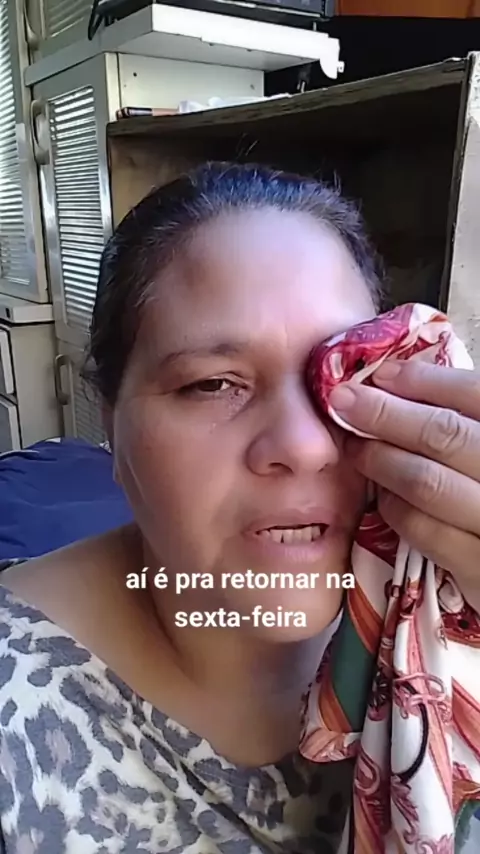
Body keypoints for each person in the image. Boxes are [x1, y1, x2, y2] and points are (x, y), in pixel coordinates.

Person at [0, 162, 479, 853]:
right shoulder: (19, 710)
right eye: (213, 385)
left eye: (345, 371)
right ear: (110, 422)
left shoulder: (444, 607)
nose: (307, 446)